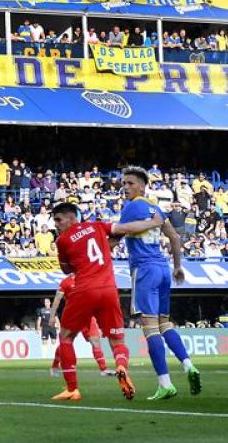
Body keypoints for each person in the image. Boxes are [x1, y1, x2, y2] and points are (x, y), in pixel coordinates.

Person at [49, 201, 163, 402]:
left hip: (83, 290)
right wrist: (153, 222)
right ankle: (121, 367)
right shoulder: (97, 226)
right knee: (117, 340)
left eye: (59, 219)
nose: (56, 224)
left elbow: (67, 270)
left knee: (66, 337)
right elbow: (127, 228)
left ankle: (72, 389)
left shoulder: (62, 240)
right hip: (109, 289)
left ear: (71, 217)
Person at [118, 166, 201, 400]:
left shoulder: (132, 207)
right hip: (163, 269)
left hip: (144, 270)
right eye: (124, 183)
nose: (125, 187)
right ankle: (188, 365)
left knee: (150, 329)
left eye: (130, 183)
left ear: (142, 186)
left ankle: (165, 383)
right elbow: (174, 237)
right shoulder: (156, 209)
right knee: (165, 324)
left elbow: (117, 235)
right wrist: (177, 266)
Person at [49, 273, 116, 378]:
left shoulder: (88, 279)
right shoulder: (66, 282)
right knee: (66, 343)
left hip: (88, 316)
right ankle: (55, 365)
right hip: (72, 317)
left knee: (95, 341)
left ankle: (104, 369)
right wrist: (52, 316)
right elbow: (57, 299)